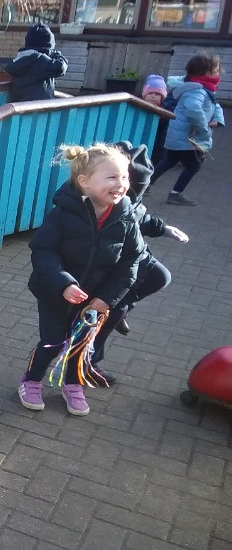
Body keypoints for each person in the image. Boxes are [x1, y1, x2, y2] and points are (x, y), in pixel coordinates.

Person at [19, 144, 144, 416]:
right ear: (84, 182)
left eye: (124, 177)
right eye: (111, 177)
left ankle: (73, 383)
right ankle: (31, 380)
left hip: (95, 301)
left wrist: (106, 298)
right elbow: (43, 251)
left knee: (81, 344)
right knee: (52, 342)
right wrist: (63, 284)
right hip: (55, 293)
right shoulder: (62, 213)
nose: (120, 184)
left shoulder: (126, 217)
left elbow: (131, 261)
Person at [89, 142, 188, 386]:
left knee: (159, 276)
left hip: (132, 256)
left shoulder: (127, 197)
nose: (128, 193)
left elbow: (140, 213)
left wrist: (164, 228)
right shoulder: (99, 201)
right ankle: (87, 362)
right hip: (111, 265)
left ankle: (123, 308)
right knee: (109, 311)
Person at [149, 52, 225, 206]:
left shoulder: (204, 88)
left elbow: (214, 105)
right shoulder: (197, 90)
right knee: (194, 165)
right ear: (205, 73)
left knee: (169, 160)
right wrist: (203, 128)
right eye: (216, 71)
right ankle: (175, 194)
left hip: (180, 135)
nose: (219, 73)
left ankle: (143, 186)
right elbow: (193, 109)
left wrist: (217, 118)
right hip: (187, 136)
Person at [3, 23, 68, 102]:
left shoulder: (21, 57)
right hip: (39, 109)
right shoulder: (39, 59)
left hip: (21, 107)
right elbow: (61, 67)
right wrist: (56, 54)